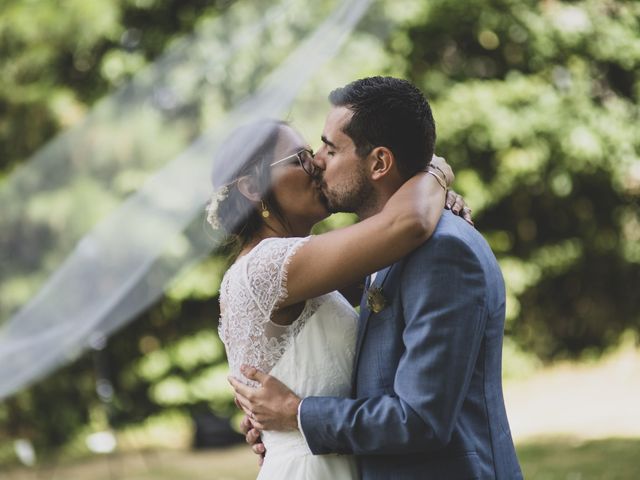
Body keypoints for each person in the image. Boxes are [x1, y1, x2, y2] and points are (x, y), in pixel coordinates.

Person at [229, 77, 523, 479]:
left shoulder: (438, 250)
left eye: (328, 150)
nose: (317, 162)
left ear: (380, 162)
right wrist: (434, 173)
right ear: (251, 187)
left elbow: (419, 416)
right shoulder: (300, 260)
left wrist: (297, 414)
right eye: (302, 157)